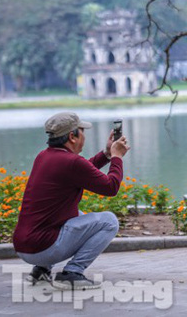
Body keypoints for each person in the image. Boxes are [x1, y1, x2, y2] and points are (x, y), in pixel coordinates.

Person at [13, 112, 130, 290]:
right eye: (82, 131)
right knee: (109, 221)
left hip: (24, 246)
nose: (85, 135)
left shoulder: (44, 156)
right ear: (72, 136)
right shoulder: (71, 162)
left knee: (77, 215)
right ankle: (72, 273)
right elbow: (110, 187)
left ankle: (41, 270)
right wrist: (117, 157)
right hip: (43, 247)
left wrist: (107, 153)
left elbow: (82, 170)